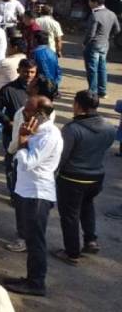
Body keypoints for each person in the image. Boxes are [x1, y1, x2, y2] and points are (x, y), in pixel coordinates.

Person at [3, 95, 62, 297]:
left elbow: (28, 162)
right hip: (25, 190)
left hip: (37, 194)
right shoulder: (37, 130)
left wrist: (22, 140)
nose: (23, 112)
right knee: (30, 237)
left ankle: (36, 283)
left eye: (27, 109)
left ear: (39, 114)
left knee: (36, 241)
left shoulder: (49, 136)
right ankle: (30, 278)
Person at [53, 90, 115, 264]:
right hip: (96, 177)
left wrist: (52, 173)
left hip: (72, 179)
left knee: (70, 215)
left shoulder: (72, 129)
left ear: (78, 105)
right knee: (87, 206)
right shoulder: (109, 127)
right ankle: (90, 240)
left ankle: (72, 253)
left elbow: (62, 156)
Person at [82, 0, 120, 98]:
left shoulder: (95, 15)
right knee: (102, 68)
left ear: (95, 2)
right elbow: (117, 30)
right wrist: (107, 36)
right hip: (104, 44)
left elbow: (91, 33)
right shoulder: (112, 14)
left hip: (93, 45)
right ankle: (102, 91)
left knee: (92, 69)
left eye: (90, 1)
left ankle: (92, 91)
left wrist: (84, 43)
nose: (89, 3)